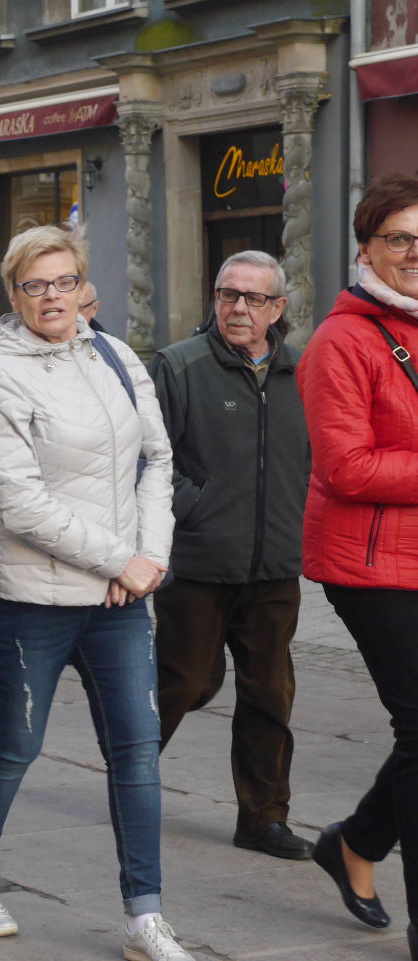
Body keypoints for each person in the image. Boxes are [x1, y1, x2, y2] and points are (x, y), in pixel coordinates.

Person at [0, 225, 194, 961]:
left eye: (63, 282)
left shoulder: (115, 355)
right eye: (34, 285)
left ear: (83, 285)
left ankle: (145, 916)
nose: (51, 297)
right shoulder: (1, 376)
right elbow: (20, 504)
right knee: (15, 744)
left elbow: (157, 458)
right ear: (14, 294)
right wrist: (121, 559)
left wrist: (150, 558)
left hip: (120, 598)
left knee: (137, 750)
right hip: (34, 598)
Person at [149, 251, 313, 860]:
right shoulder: (180, 366)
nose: (238, 307)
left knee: (271, 693)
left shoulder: (304, 371)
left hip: (276, 565)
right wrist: (194, 507)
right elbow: (148, 459)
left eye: (253, 298)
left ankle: (264, 818)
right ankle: (129, 777)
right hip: (199, 562)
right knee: (185, 682)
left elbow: (320, 456)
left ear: (277, 307)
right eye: (227, 294)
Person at [299, 172, 418, 959]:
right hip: (369, 564)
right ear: (366, 248)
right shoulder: (341, 340)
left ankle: (355, 842)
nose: (414, 253)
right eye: (399, 238)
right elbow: (347, 467)